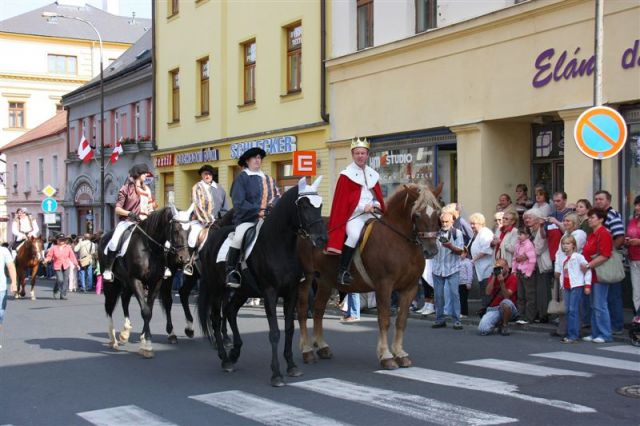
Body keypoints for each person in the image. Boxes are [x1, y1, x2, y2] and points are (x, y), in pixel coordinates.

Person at [326, 137, 386, 286]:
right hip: (354, 216)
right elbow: (344, 201)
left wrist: (376, 204)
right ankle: (343, 270)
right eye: (357, 153)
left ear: (367, 155)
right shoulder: (346, 175)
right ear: (353, 155)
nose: (360, 156)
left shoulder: (373, 174)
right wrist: (362, 207)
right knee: (353, 235)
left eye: (363, 153)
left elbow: (376, 195)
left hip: (373, 213)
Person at [225, 147, 280, 288]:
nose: (257, 160)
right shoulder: (242, 178)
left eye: (259, 158)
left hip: (268, 220)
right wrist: (259, 211)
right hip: (247, 220)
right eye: (254, 158)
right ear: (247, 161)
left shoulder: (269, 179)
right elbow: (239, 202)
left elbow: (277, 196)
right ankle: (232, 271)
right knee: (238, 237)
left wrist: (272, 208)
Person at [102, 163, 160, 282]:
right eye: (144, 173)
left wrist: (152, 211)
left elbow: (150, 206)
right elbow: (117, 209)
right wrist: (130, 213)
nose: (145, 175)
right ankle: (108, 269)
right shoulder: (125, 189)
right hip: (128, 221)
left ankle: (163, 266)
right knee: (114, 241)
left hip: (145, 222)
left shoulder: (147, 189)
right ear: (137, 174)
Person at [184, 164, 230, 276]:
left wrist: (222, 219)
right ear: (201, 175)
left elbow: (225, 207)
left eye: (209, 174)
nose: (207, 176)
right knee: (192, 237)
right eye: (205, 174)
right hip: (200, 221)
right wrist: (209, 219)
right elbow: (197, 206)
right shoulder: (197, 187)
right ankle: (189, 262)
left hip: (217, 222)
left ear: (212, 175)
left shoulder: (220, 189)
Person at [593, 190, 626, 335]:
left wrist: (610, 251)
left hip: (609, 259)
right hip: (601, 259)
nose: (598, 201)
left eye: (601, 199)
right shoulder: (598, 216)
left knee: (613, 294)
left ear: (609, 201)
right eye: (596, 199)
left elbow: (620, 237)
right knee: (604, 296)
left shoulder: (612, 215)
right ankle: (607, 324)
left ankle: (617, 325)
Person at [580, 208, 614, 343]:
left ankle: (605, 334)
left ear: (601, 219)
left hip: (599, 273)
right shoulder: (592, 234)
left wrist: (589, 265)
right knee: (594, 305)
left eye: (592, 217)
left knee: (600, 304)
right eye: (589, 217)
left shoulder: (603, 234)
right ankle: (596, 332)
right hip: (591, 273)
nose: (589, 219)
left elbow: (605, 255)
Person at [431, 212, 465, 330]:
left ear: (452, 222)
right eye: (443, 221)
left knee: (454, 294)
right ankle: (440, 319)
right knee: (438, 296)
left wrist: (450, 246)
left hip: (452, 268)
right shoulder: (435, 233)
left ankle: (456, 320)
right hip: (437, 268)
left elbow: (461, 251)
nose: (444, 224)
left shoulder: (457, 233)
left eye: (447, 221)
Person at [555, 236, 591, 344]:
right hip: (566, 286)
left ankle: (573, 335)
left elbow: (587, 269)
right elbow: (562, 272)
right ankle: (571, 333)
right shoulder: (563, 258)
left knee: (573, 310)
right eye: (564, 244)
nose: (565, 246)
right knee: (569, 310)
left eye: (568, 244)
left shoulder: (578, 257)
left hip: (576, 285)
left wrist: (587, 285)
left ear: (574, 245)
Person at [477, 259, 518, 336]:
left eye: (501, 268)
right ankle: (497, 322)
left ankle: (504, 325)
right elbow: (487, 292)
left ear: (506, 268)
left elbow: (507, 296)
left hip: (509, 308)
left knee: (505, 302)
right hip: (494, 308)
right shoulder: (493, 277)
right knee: (482, 329)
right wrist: (494, 277)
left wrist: (502, 283)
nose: (499, 270)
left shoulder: (512, 278)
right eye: (497, 268)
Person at [468, 213, 495, 309]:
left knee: (487, 290)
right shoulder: (476, 234)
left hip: (487, 267)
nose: (471, 226)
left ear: (480, 223)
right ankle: (485, 309)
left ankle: (488, 309)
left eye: (473, 223)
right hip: (480, 268)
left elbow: (486, 250)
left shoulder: (485, 232)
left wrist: (473, 260)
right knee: (483, 289)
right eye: (470, 223)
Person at [44, 234, 79, 300]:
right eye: (60, 240)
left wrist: (76, 264)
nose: (62, 241)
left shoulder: (68, 247)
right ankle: (55, 289)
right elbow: (49, 256)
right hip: (57, 265)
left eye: (63, 240)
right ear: (57, 240)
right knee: (60, 279)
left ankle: (62, 294)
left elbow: (72, 256)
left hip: (66, 265)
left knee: (65, 280)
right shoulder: (53, 248)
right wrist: (46, 260)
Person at [513, 227, 537, 325]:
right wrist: (514, 270)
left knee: (529, 295)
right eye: (519, 234)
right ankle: (521, 315)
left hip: (527, 273)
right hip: (519, 272)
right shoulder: (517, 245)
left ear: (528, 236)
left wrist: (528, 273)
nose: (519, 236)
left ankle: (529, 317)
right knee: (520, 295)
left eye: (522, 234)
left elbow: (532, 260)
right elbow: (515, 258)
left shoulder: (528, 245)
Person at [626, 195, 640, 322]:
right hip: (633, 259)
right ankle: (638, 318)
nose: (637, 207)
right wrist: (628, 241)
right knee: (636, 292)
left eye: (639, 205)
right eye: (636, 205)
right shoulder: (632, 221)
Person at [0, 243, 17, 349]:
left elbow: (10, 266)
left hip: (0, 288)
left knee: (0, 315)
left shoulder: (4, 251)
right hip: (19, 237)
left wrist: (14, 282)